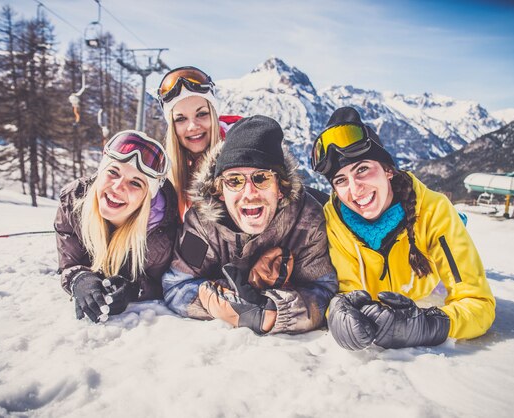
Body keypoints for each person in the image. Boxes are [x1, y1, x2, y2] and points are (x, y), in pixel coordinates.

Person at [311, 107, 495, 350]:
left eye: (363, 169)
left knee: (451, 226)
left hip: (426, 285)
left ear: (388, 170)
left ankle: (459, 223)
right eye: (341, 180)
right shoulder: (333, 221)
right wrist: (336, 311)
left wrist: (430, 325)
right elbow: (345, 291)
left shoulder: (434, 211)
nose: (355, 190)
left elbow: (478, 303)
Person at [162, 115, 338, 334]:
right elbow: (177, 285)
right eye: (234, 181)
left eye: (261, 178)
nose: (249, 193)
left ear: (280, 187)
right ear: (219, 191)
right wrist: (228, 305)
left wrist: (274, 311)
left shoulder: (307, 221)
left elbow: (325, 290)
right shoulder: (202, 224)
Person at [55, 130, 178, 323]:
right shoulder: (73, 203)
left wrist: (134, 289)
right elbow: (69, 262)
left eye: (135, 183)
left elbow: (162, 282)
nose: (118, 187)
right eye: (113, 172)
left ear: (148, 197)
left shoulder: (161, 235)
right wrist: (79, 278)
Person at [157, 66, 242, 219]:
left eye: (201, 114)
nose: (193, 126)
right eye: (181, 119)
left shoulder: (243, 155)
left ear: (214, 116)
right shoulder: (164, 177)